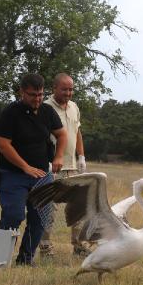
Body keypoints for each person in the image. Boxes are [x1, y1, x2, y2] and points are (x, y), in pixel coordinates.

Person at [0, 73, 68, 265]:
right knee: (14, 214)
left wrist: (59, 156)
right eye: (32, 95)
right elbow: (3, 144)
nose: (37, 99)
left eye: (40, 95)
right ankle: (0, 257)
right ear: (21, 92)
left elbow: (61, 135)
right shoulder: (10, 112)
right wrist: (25, 167)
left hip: (42, 175)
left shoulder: (47, 112)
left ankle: (25, 259)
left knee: (40, 219)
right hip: (12, 174)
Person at [39, 73, 90, 257]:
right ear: (54, 89)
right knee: (48, 210)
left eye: (71, 89)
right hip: (53, 168)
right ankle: (45, 248)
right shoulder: (44, 107)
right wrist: (45, 161)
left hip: (73, 167)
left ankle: (79, 246)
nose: (68, 93)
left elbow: (77, 132)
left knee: (79, 207)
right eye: (64, 89)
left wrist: (81, 156)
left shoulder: (74, 107)